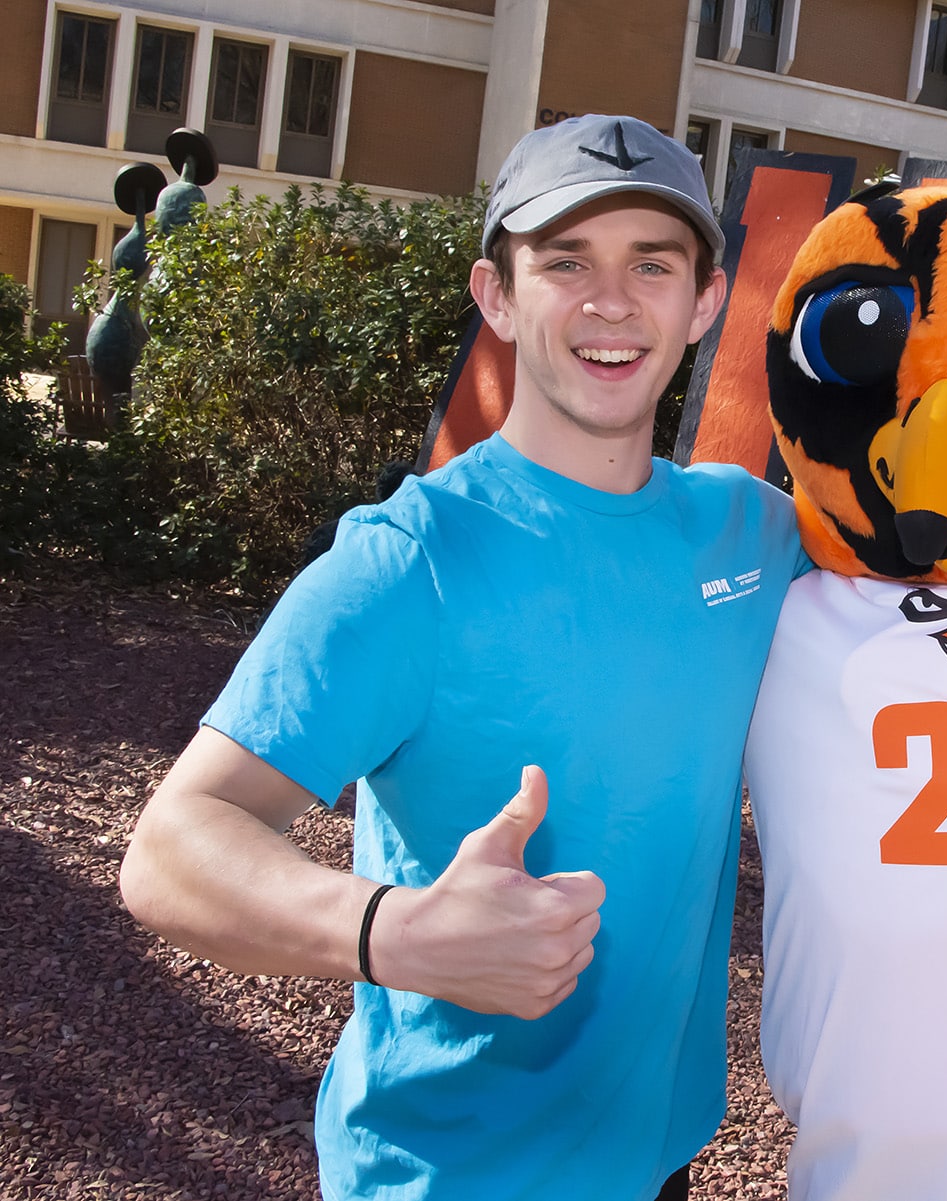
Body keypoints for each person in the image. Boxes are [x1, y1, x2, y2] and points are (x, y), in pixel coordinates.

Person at [120, 113, 805, 1201]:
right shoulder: (408, 564)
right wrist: (396, 932)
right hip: (448, 1176)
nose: (611, 302)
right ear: (497, 295)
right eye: (565, 261)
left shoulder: (755, 535)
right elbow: (169, 850)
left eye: (653, 265)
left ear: (706, 303)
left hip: (662, 1157)